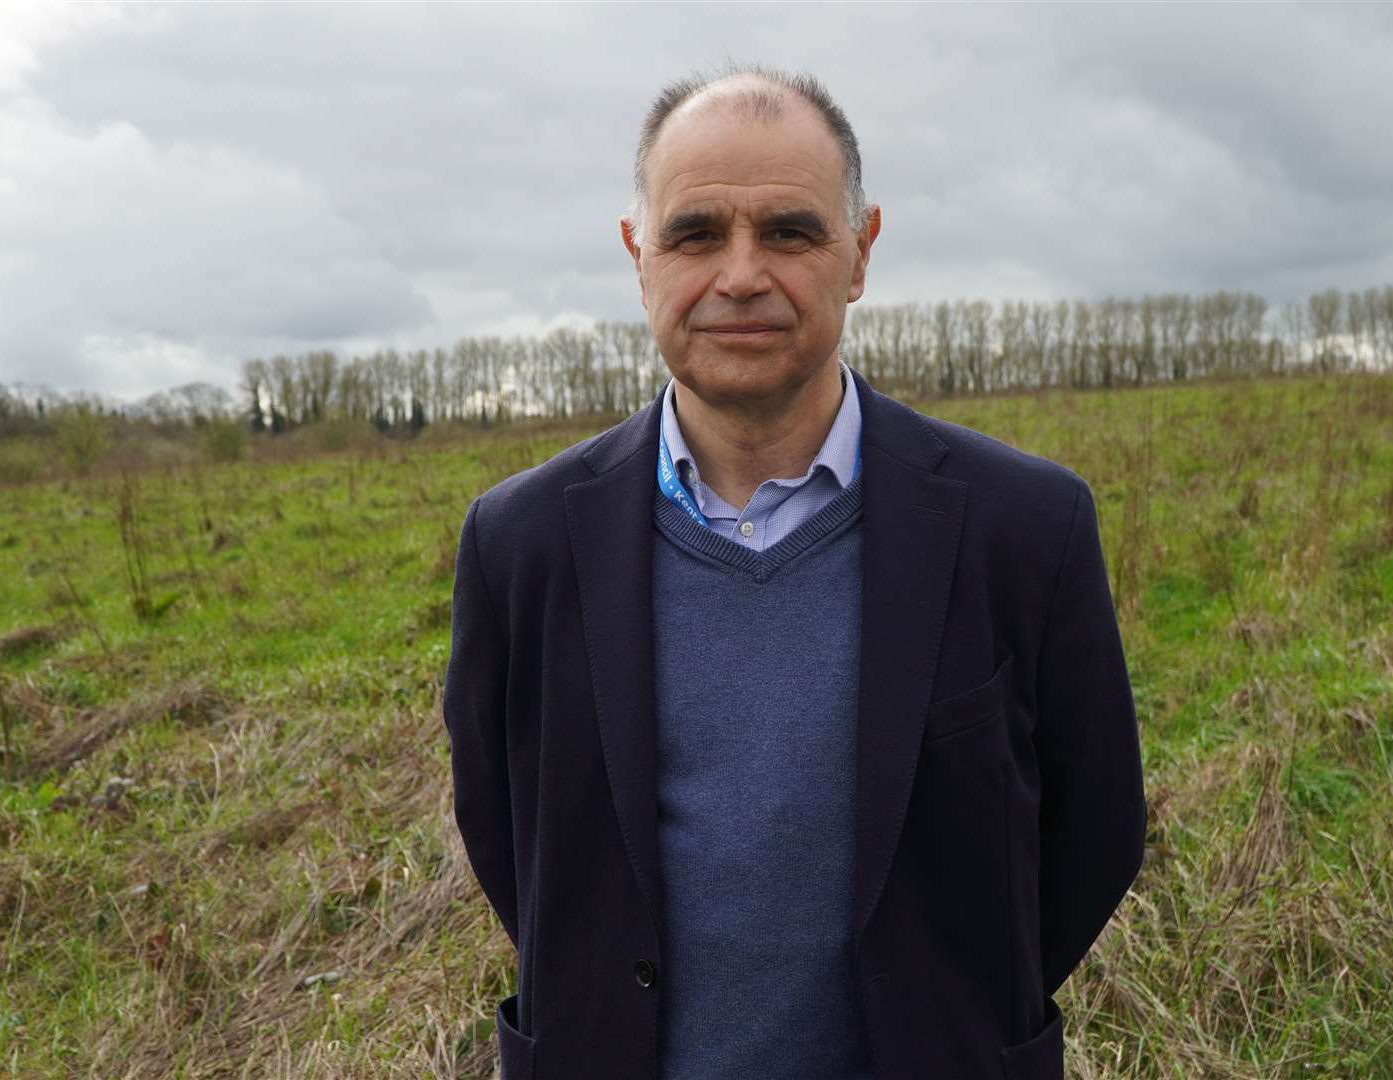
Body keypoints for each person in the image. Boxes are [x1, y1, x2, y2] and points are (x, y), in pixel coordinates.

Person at [443, 63, 1146, 1080]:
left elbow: (1097, 832)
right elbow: (510, 839)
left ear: (857, 255)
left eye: (788, 231)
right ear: (638, 256)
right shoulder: (520, 545)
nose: (739, 275)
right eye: (694, 234)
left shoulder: (1025, 528)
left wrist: (947, 1009)